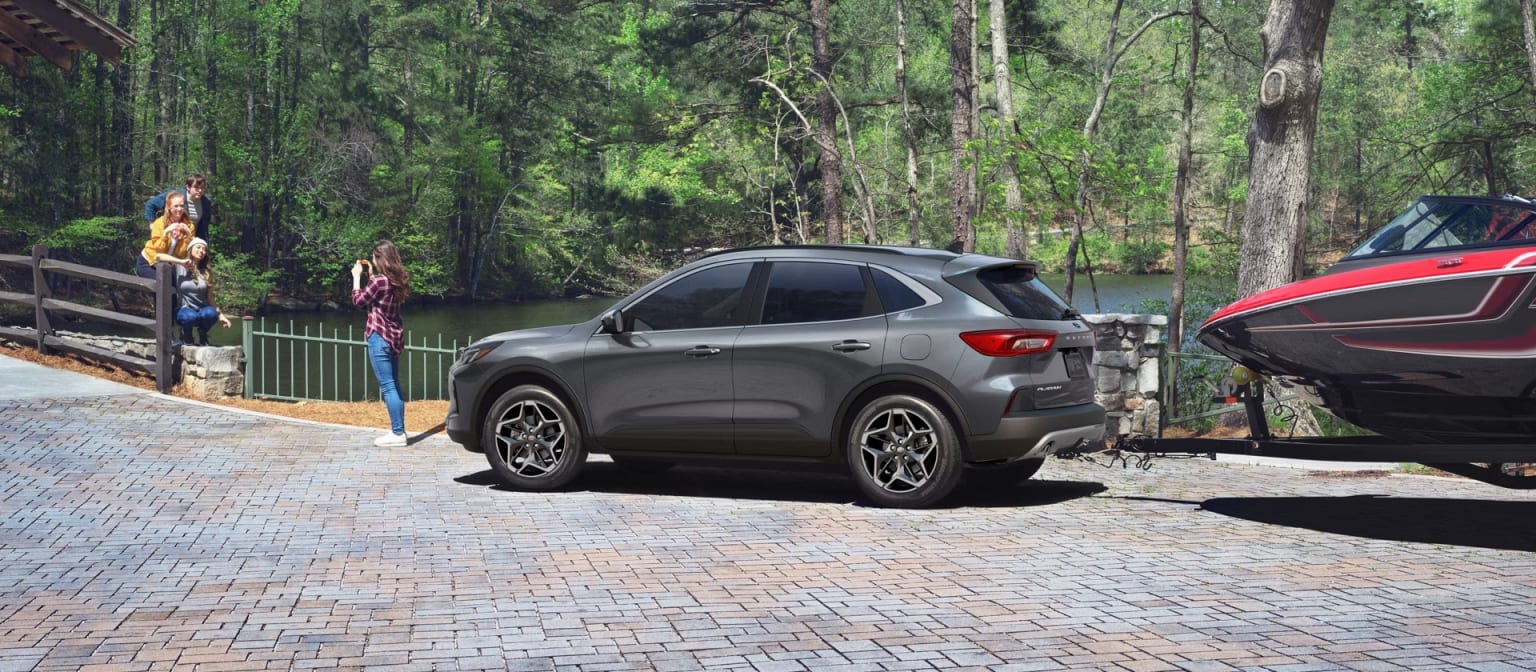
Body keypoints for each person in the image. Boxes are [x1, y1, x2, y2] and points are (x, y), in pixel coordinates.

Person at [352, 240, 411, 447]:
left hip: (379, 336)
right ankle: (399, 430)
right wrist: (369, 277)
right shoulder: (398, 280)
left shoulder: (378, 281)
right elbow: (378, 298)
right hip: (394, 336)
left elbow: (359, 301)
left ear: (379, 258)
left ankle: (397, 433)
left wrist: (356, 278)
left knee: (387, 387)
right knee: (394, 385)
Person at [174, 238, 232, 346]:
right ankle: (185, 334)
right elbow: (160, 257)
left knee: (211, 313)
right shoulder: (180, 267)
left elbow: (210, 298)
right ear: (190, 249)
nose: (202, 251)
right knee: (191, 317)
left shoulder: (206, 272)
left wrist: (221, 316)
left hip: (201, 310)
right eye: (198, 247)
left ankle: (202, 332)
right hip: (184, 310)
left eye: (204, 249)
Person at [137, 191, 195, 279]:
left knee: (172, 290)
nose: (179, 209)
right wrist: (165, 232)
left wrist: (188, 235)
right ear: (168, 207)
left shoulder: (189, 226)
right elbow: (159, 251)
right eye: (176, 206)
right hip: (149, 261)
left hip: (167, 264)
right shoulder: (160, 223)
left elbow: (183, 253)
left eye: (182, 206)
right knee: (161, 287)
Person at [145, 173, 214, 241]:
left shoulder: (206, 202)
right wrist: (152, 224)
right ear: (188, 187)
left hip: (191, 238)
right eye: (196, 188)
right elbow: (150, 204)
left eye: (202, 188)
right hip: (170, 236)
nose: (200, 191)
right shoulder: (176, 195)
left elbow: (204, 226)